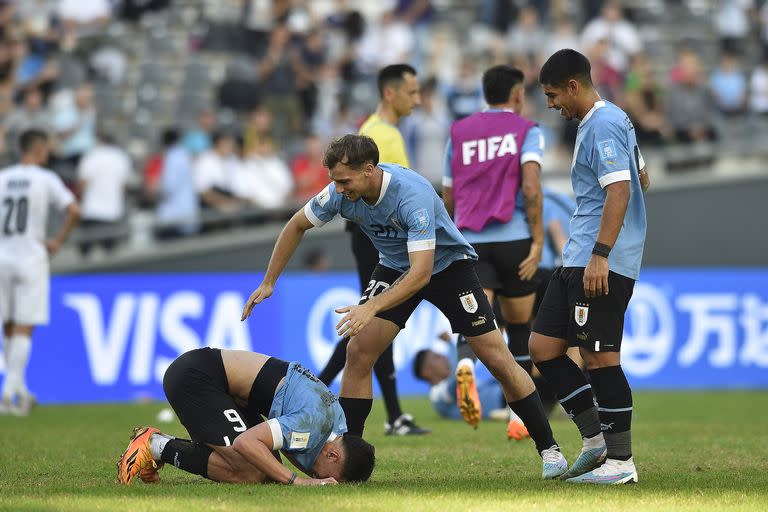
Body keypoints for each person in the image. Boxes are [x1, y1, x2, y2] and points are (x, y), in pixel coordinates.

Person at [242, 134, 568, 479]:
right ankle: (352, 459)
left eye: (344, 180)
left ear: (369, 170)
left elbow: (421, 273)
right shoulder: (339, 194)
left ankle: (550, 450)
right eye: (334, 180)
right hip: (395, 266)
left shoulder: (411, 194)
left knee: (497, 359)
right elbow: (296, 225)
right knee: (359, 352)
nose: (337, 189)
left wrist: (370, 307)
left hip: (447, 268)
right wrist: (268, 281)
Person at [533, 48, 649, 485]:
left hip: (598, 259)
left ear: (574, 86)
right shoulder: (611, 120)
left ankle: (621, 465)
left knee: (599, 358)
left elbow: (620, 190)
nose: (550, 104)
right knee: (544, 349)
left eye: (552, 94)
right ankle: (596, 442)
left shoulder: (601, 124)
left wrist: (602, 253)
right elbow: (642, 176)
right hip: (577, 257)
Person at [316, 64, 429, 436]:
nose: (417, 98)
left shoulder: (383, 131)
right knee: (372, 318)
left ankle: (389, 412)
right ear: (389, 93)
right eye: (411, 92)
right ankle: (321, 393)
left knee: (374, 319)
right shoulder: (379, 135)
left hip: (380, 236)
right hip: (377, 237)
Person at [442, 65, 544, 439]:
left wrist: (451, 236)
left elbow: (448, 192)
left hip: (471, 239)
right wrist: (536, 239)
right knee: (518, 327)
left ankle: (465, 362)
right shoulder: (527, 131)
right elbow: (531, 185)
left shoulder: (459, 133)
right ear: (517, 94)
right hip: (514, 236)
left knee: (475, 320)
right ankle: (518, 416)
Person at [117, 348, 375, 486]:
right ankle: (155, 445)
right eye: (328, 476)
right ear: (333, 455)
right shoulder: (310, 425)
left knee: (268, 469)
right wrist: (299, 482)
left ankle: (167, 447)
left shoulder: (336, 423)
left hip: (223, 386)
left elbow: (286, 449)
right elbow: (246, 443)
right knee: (251, 471)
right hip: (194, 378)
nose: (323, 480)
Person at [0, 129, 80, 415]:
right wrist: (57, 240)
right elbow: (74, 210)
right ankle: (8, 394)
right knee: (24, 325)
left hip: (2, 257)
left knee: (7, 325)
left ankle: (18, 388)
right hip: (30, 257)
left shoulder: (4, 178)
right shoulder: (45, 178)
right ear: (39, 149)